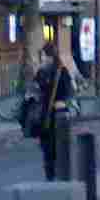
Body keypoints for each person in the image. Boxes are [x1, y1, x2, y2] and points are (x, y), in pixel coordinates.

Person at [33, 42, 75, 181]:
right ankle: (50, 174)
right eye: (42, 57)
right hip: (44, 115)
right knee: (46, 147)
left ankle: (58, 173)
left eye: (44, 56)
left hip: (57, 115)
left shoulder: (61, 71)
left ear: (50, 56)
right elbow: (35, 89)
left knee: (57, 145)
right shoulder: (41, 72)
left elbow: (68, 90)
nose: (43, 59)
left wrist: (62, 101)